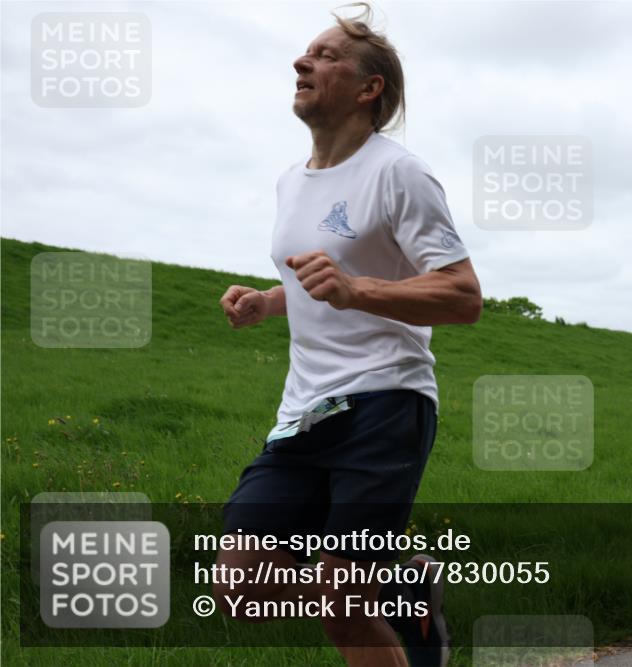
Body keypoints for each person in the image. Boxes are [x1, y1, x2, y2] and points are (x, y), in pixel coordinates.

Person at [215, 6, 481, 666]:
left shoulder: (399, 173)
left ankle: (384, 592)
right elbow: (321, 278)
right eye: (306, 52)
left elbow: (462, 295)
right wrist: (269, 301)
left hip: (385, 402)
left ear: (370, 89)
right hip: (305, 411)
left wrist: (358, 290)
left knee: (341, 602)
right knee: (239, 586)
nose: (302, 62)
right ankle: (403, 587)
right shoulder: (290, 182)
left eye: (327, 55)